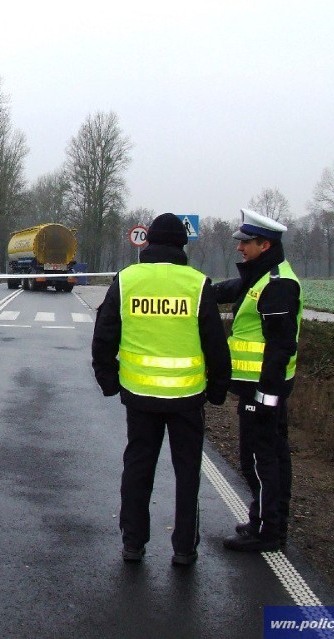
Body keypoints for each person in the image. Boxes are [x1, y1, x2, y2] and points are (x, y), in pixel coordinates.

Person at [92, 213, 231, 565]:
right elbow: (216, 343)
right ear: (182, 247)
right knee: (187, 474)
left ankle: (133, 544)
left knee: (138, 468)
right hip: (187, 399)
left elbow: (104, 334)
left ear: (149, 243)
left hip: (139, 398)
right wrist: (217, 389)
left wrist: (109, 382)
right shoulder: (197, 284)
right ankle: (184, 549)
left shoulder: (127, 281)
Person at [215, 208, 304, 553]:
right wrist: (196, 289)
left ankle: (265, 531)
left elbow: (281, 346)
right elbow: (229, 289)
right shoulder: (261, 277)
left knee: (259, 458)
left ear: (264, 245)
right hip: (259, 387)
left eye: (246, 243)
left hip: (263, 388)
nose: (240, 248)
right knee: (272, 455)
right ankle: (270, 523)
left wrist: (266, 397)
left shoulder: (278, 285)